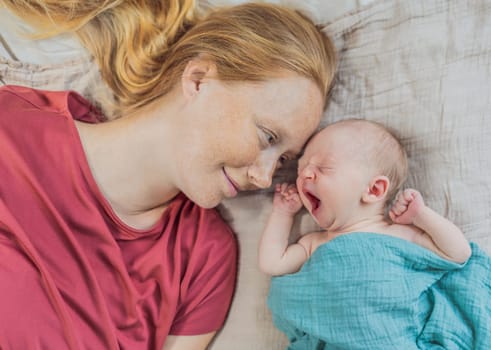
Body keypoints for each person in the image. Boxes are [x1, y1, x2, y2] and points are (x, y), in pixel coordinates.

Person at [0, 1, 337, 349]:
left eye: (282, 159)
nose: (266, 178)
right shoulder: (12, 122)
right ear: (199, 80)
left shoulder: (204, 256)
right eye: (267, 137)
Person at [259, 119, 472, 276]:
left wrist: (420, 215)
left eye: (324, 167)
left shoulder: (399, 235)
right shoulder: (313, 244)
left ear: (374, 190)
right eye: (301, 169)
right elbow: (272, 264)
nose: (304, 174)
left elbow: (458, 253)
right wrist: (282, 214)